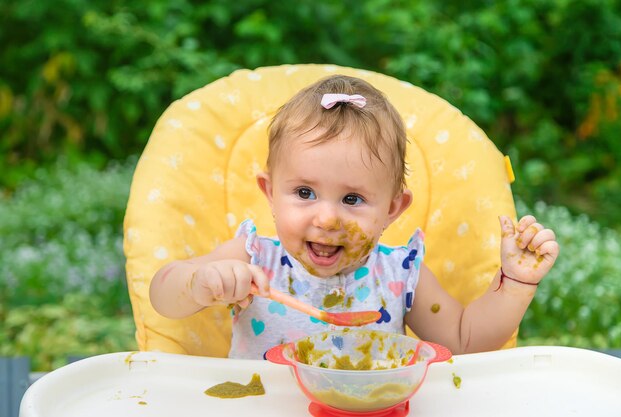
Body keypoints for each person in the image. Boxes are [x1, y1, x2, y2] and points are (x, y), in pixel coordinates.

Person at [149, 75, 559, 359]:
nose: (327, 219)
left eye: (353, 198)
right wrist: (201, 283)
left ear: (392, 209)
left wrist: (516, 283)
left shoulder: (401, 274)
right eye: (305, 193)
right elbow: (162, 296)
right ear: (270, 193)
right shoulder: (254, 257)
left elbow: (466, 342)